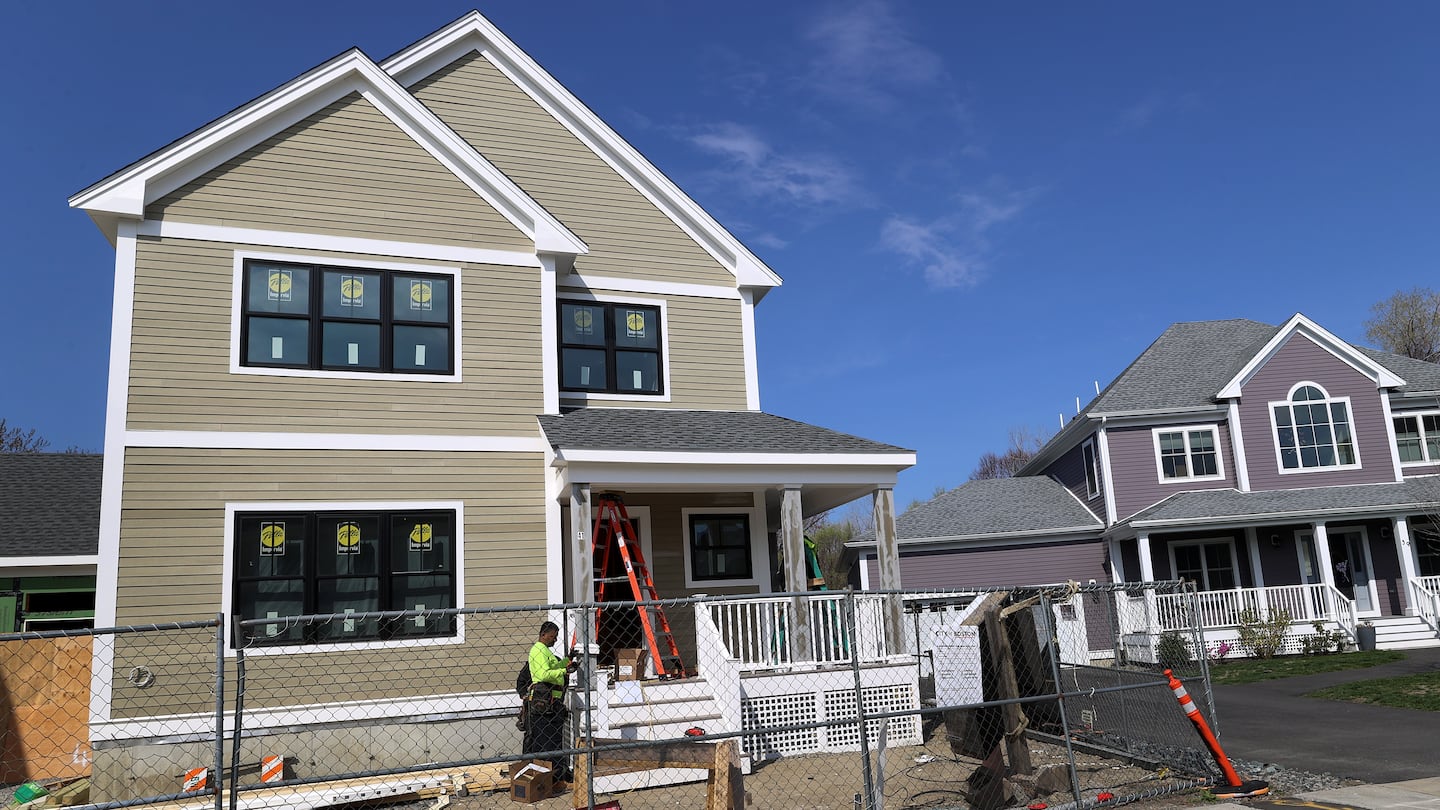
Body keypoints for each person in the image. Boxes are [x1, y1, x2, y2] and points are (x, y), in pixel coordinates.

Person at [523, 621, 576, 784]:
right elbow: (543, 674)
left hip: (552, 705)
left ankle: (555, 777)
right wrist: (564, 670)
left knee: (553, 741)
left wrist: (568, 659)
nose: (555, 640)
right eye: (553, 636)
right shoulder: (538, 651)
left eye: (556, 636)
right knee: (546, 743)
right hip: (544, 706)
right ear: (543, 635)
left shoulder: (545, 651)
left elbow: (553, 668)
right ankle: (547, 779)